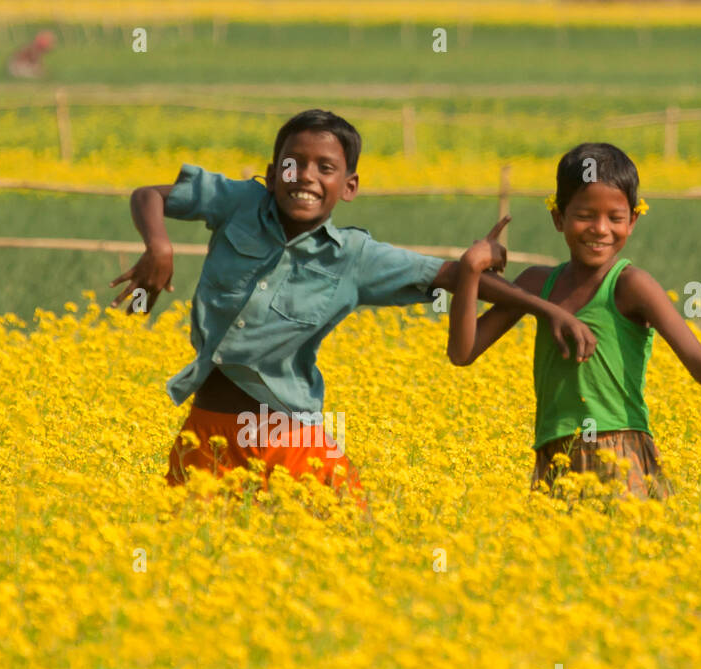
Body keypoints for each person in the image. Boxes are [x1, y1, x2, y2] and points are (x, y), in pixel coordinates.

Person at [112, 109, 594, 498]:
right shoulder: (239, 204)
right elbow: (149, 195)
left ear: (349, 186)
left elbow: (450, 276)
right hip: (207, 431)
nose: (305, 176)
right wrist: (159, 246)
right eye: (292, 164)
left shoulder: (355, 258)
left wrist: (547, 309)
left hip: (288, 438)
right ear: (272, 174)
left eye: (325, 168)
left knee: (339, 546)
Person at [448, 142, 701, 499]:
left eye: (615, 218)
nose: (600, 229)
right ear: (558, 218)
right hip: (553, 454)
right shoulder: (536, 284)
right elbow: (462, 353)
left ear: (632, 220)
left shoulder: (631, 286)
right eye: (584, 216)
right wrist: (469, 270)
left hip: (620, 453)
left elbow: (700, 362)